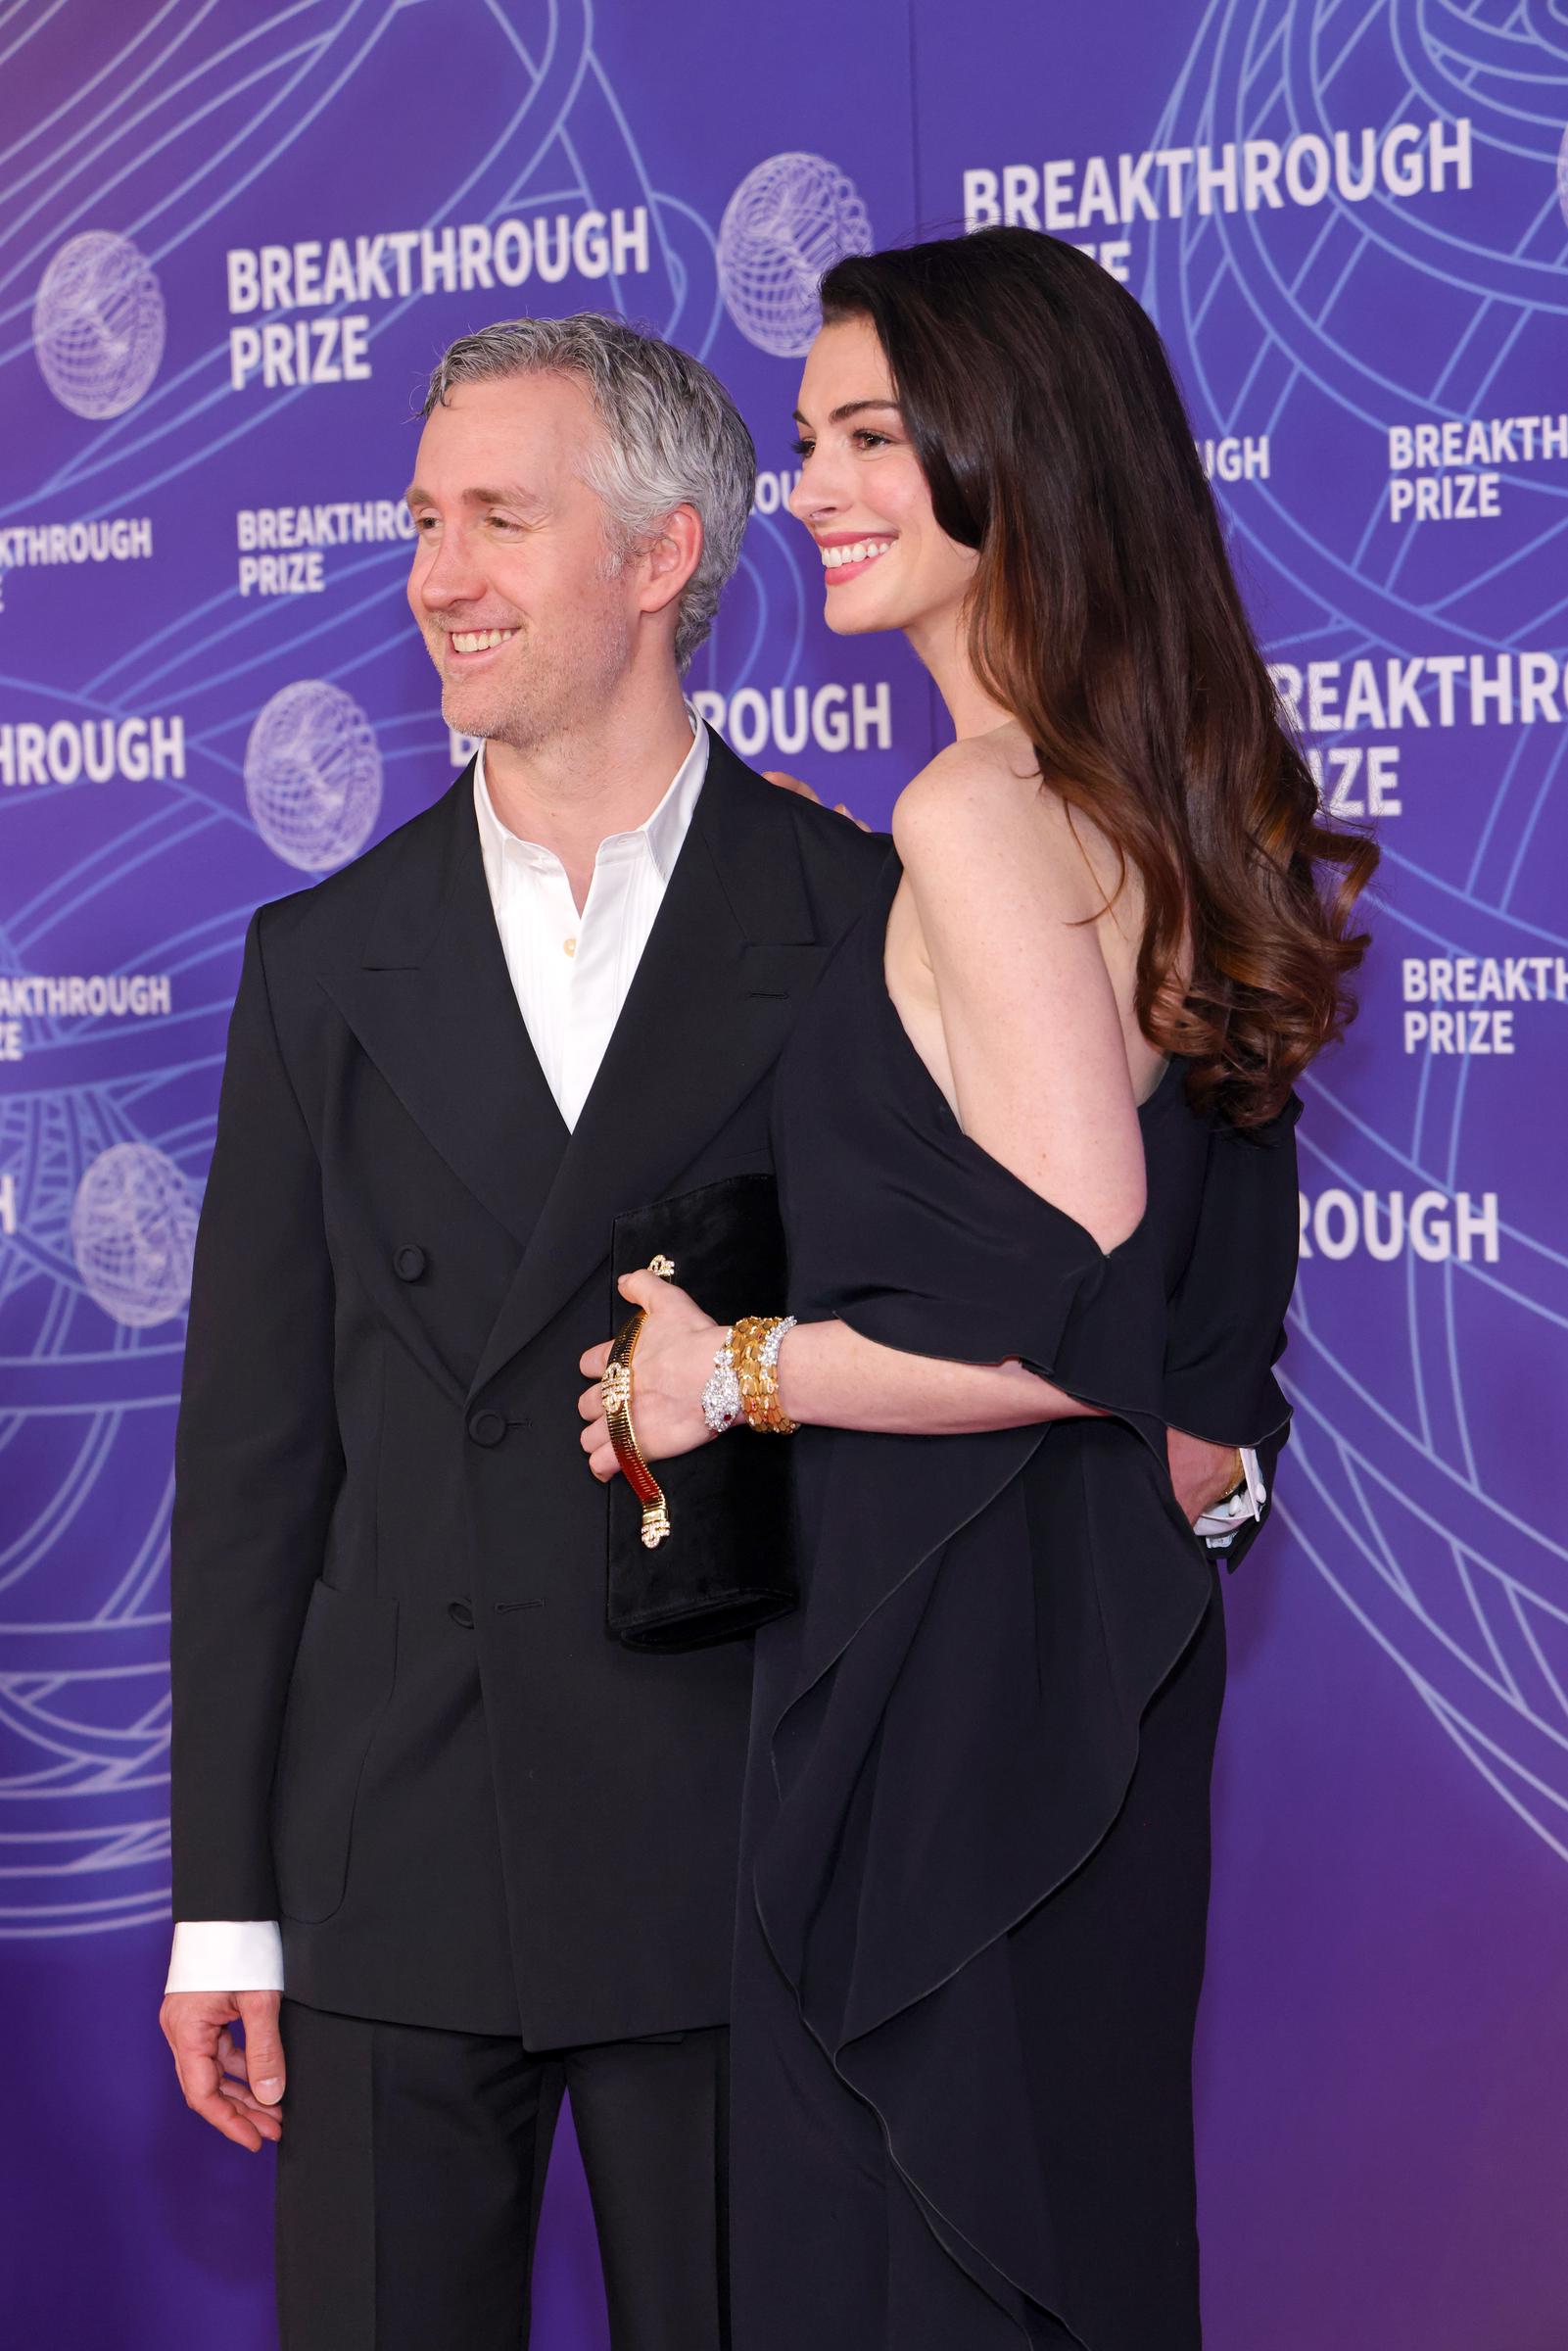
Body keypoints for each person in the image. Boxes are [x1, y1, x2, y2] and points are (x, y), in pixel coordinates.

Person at [577, 230, 1375, 2350]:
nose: (809, 486)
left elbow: (1062, 1325)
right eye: (806, 437)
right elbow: (1194, 1382)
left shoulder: (982, 814)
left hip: (947, 1698)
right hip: (1064, 1672)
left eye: (864, 438)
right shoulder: (1162, 812)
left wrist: (726, 1374)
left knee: (914, 2267)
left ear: (1011, 453)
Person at [158, 313, 902, 2351]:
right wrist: (225, 1898)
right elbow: (246, 1474)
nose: (437, 575)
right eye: (422, 519)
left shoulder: (861, 920)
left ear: (666, 555)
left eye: (501, 516)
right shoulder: (319, 963)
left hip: (740, 1854)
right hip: (396, 1858)